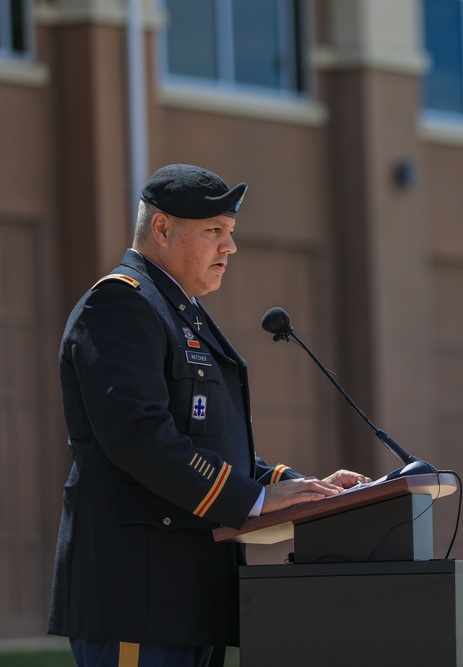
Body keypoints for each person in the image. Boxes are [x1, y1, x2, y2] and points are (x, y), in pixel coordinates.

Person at [48, 164, 370, 667]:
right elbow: (139, 438)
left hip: (190, 597)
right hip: (138, 594)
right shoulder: (119, 305)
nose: (229, 248)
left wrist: (305, 489)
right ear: (161, 229)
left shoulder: (180, 311)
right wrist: (256, 498)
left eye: (231, 232)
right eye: (213, 232)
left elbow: (207, 443)